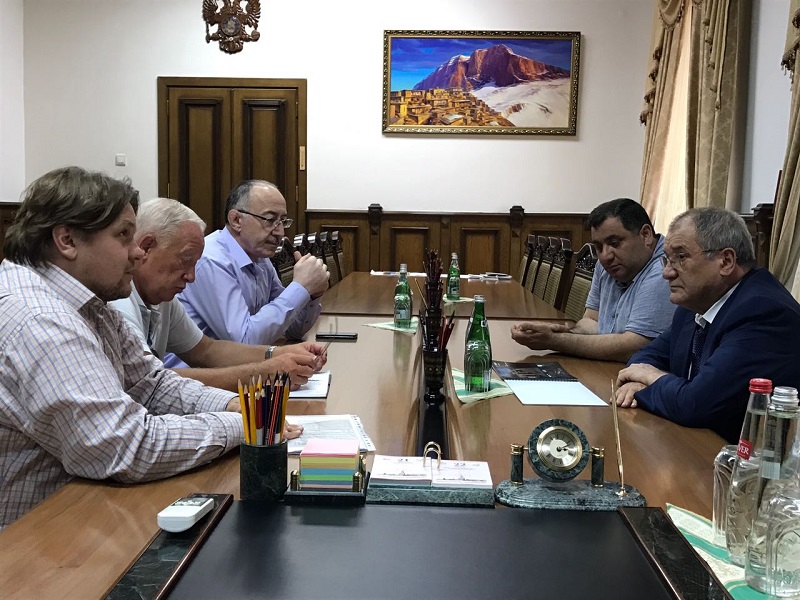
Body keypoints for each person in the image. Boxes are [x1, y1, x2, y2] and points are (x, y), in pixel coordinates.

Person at [0, 167, 243, 529]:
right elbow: (126, 447)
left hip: (82, 515)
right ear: (67, 241)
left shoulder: (88, 303)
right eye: (124, 236)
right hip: (32, 544)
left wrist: (233, 404)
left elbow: (152, 385)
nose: (137, 253)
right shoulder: (41, 320)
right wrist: (242, 424)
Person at [615, 207, 800, 443]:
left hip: (747, 457)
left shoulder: (762, 312)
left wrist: (652, 378)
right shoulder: (694, 304)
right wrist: (644, 379)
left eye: (681, 258)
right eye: (667, 260)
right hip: (692, 441)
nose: (667, 273)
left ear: (726, 261)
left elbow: (695, 404)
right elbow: (646, 357)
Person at [109, 197, 327, 392]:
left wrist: (279, 354)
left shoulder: (162, 297)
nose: (191, 277)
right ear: (146, 247)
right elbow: (151, 380)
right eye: (185, 261)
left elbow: (206, 350)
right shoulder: (119, 301)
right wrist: (266, 372)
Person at [511, 198, 675, 362]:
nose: (605, 256)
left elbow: (634, 347)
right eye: (598, 247)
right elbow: (592, 321)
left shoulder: (665, 270)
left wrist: (555, 341)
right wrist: (560, 332)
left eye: (614, 243)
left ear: (646, 235)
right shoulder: (608, 265)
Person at [178, 180, 329, 345]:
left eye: (283, 221)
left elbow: (293, 330)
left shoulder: (260, 258)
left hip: (239, 360)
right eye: (270, 220)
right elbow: (244, 341)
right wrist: (300, 287)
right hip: (195, 363)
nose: (280, 232)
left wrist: (312, 293)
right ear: (236, 220)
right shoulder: (212, 261)